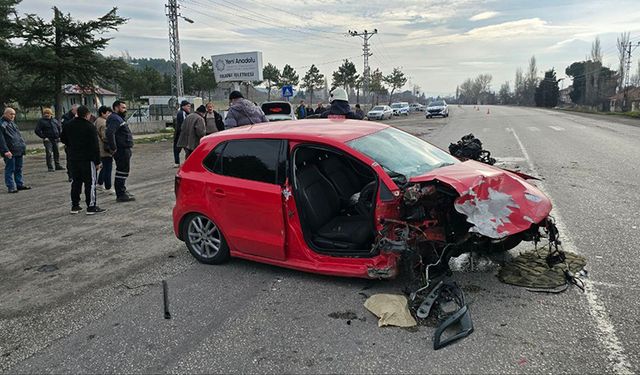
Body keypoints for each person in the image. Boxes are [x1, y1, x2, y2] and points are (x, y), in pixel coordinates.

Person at [60, 105, 105, 215]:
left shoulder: (68, 125)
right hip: (87, 159)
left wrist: (71, 145)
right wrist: (98, 161)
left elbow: (63, 138)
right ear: (87, 114)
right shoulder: (89, 126)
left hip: (73, 158)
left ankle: (75, 206)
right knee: (90, 183)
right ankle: (91, 206)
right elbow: (95, 145)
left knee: (76, 182)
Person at [106, 100, 135, 202]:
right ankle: (120, 193)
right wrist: (113, 148)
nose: (125, 110)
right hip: (121, 149)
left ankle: (122, 190)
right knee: (121, 171)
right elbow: (110, 133)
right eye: (123, 108)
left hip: (125, 148)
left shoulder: (118, 118)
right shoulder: (115, 119)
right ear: (116, 108)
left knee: (124, 170)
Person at [0, 107, 30, 193]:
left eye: (14, 114)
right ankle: (11, 187)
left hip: (18, 149)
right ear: (5, 114)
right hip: (10, 151)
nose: (13, 116)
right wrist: (5, 150)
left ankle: (19, 184)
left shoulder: (12, 123)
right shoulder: (2, 124)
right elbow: (1, 139)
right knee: (10, 169)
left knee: (18, 168)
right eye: (11, 114)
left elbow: (18, 136)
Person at [94, 106, 114, 195]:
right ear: (103, 113)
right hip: (105, 149)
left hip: (99, 148)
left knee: (104, 167)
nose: (109, 115)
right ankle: (108, 187)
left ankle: (99, 183)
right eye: (108, 113)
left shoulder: (97, 120)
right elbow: (106, 137)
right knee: (108, 168)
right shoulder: (104, 123)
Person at [174, 100, 190, 167]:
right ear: (183, 106)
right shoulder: (182, 113)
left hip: (179, 133)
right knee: (187, 148)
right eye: (188, 106)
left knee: (177, 148)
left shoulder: (182, 113)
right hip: (181, 134)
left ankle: (177, 162)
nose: (189, 107)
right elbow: (184, 124)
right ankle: (187, 161)